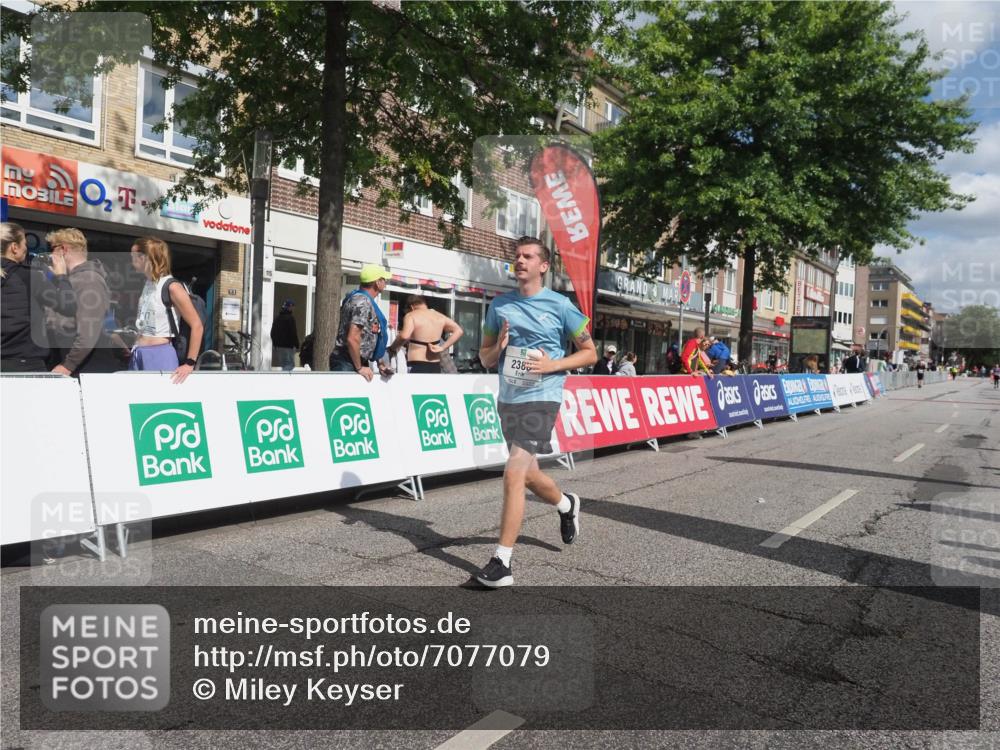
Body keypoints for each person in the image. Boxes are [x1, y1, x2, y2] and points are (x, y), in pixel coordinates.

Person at [474, 236, 597, 588]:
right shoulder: (500, 306)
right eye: (517, 256)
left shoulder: (561, 305)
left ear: (543, 266)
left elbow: (590, 353)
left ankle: (502, 563)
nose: (520, 261)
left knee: (513, 473)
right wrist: (497, 348)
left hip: (543, 397)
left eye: (528, 256)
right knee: (528, 475)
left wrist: (551, 365)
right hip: (509, 398)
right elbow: (484, 357)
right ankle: (566, 504)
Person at [1, 222, 76, 372]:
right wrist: (61, 276)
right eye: (24, 244)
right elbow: (69, 306)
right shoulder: (30, 276)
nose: (26, 248)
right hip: (26, 366)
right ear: (14, 247)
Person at [128, 237, 204, 384]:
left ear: (145, 258)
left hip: (160, 355)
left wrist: (189, 363)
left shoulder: (172, 287)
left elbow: (197, 325)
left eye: (134, 256)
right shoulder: (148, 284)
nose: (131, 261)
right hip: (139, 354)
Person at [44, 228, 118, 376]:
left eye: (52, 249)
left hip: (86, 366)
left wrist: (67, 366)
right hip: (76, 361)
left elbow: (88, 330)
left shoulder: (88, 279)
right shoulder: (73, 279)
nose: (50, 255)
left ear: (63, 249)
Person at [329, 264, 394, 381]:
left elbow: (370, 334)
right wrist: (359, 367)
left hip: (354, 360)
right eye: (384, 279)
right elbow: (353, 338)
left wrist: (380, 363)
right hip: (348, 362)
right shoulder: (362, 302)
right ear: (377, 282)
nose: (386, 283)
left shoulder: (363, 300)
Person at [387, 295, 464, 374]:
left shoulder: (411, 315)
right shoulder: (439, 316)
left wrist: (392, 349)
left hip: (417, 364)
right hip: (435, 365)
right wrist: (442, 347)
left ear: (411, 307)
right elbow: (459, 330)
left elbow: (404, 336)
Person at [270, 299, 299, 371]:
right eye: (292, 307)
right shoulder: (290, 318)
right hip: (288, 347)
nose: (293, 309)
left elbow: (272, 333)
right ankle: (284, 377)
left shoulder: (277, 318)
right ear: (289, 307)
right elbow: (293, 333)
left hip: (279, 347)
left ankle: (283, 376)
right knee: (289, 364)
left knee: (284, 364)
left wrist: (275, 344)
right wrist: (296, 345)